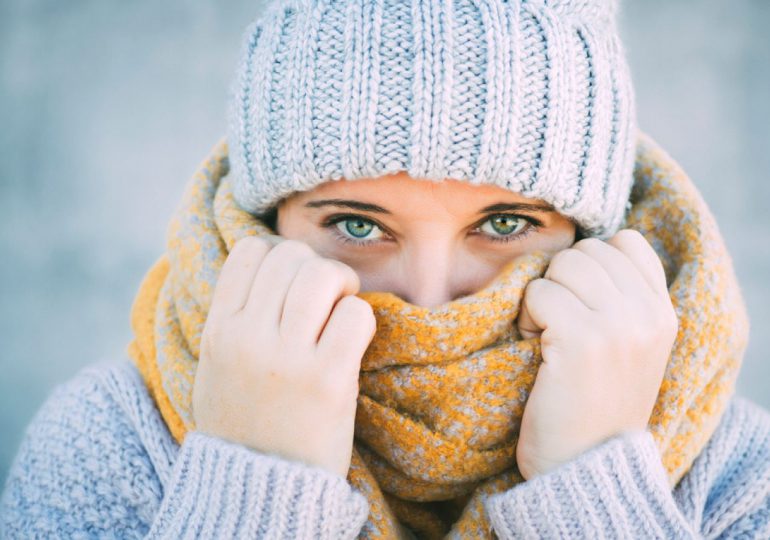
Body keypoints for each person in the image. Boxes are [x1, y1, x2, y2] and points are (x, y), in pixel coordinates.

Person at [2, 0, 769, 537]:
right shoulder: (115, 441)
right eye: (357, 225)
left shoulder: (735, 474)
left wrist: (597, 492)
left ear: (592, 238)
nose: (428, 299)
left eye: (505, 224)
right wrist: (256, 484)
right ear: (266, 225)